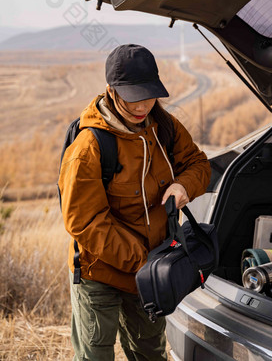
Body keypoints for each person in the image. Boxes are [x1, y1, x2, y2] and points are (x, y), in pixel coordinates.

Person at [58, 44, 211, 361]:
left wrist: (184, 185)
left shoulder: (164, 126)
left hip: (151, 270)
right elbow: (84, 223)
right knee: (95, 356)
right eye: (133, 97)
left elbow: (198, 164)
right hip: (100, 273)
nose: (143, 106)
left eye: (150, 95)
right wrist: (142, 262)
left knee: (150, 353)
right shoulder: (90, 146)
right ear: (111, 91)